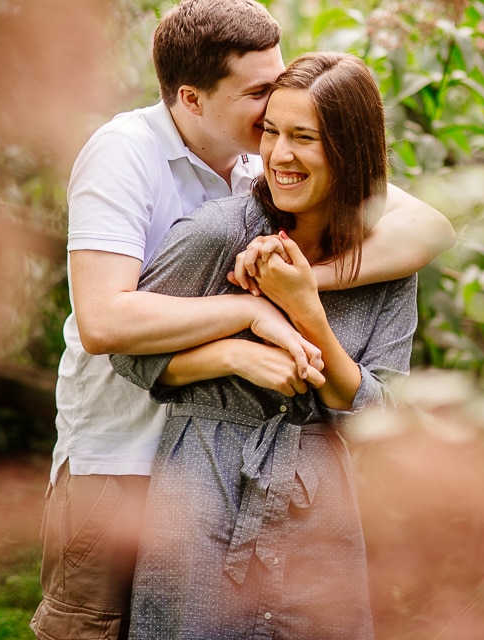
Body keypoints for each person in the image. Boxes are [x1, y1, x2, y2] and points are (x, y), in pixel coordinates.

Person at [32, 0, 454, 640]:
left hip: (256, 475)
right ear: (193, 100)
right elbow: (104, 324)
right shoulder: (126, 156)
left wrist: (301, 287)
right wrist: (251, 314)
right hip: (119, 456)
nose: (274, 116)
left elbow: (427, 225)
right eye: (260, 93)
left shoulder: (260, 160)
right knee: (95, 627)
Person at [110, 51, 411, 640]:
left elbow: (384, 416)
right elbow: (127, 351)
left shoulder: (390, 264)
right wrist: (233, 356)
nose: (278, 156)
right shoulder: (217, 234)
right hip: (202, 492)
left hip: (321, 516)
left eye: (304, 138)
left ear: (350, 149)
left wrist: (306, 312)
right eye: (271, 132)